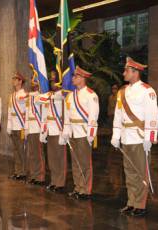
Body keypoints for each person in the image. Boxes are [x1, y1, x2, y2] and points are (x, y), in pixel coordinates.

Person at [111, 57, 158, 217]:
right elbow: (118, 115)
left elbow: (153, 115)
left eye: (126, 70)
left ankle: (140, 204)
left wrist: (149, 137)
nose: (124, 73)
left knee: (140, 172)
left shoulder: (147, 91)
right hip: (126, 137)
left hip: (139, 137)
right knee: (129, 172)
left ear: (135, 72)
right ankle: (131, 202)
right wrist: (116, 135)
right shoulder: (122, 92)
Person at [62, 66, 99, 200]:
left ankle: (86, 189)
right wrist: (65, 131)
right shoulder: (70, 96)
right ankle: (78, 187)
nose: (72, 79)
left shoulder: (91, 95)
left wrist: (91, 133)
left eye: (75, 77)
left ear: (82, 78)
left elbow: (93, 116)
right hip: (73, 132)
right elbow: (67, 115)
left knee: (84, 162)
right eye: (73, 76)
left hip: (84, 132)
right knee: (75, 162)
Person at [36, 74, 66, 193]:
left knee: (60, 158)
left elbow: (57, 97)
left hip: (59, 129)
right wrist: (43, 131)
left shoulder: (63, 95)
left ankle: (60, 182)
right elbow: (38, 100)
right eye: (51, 82)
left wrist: (48, 96)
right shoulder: (50, 95)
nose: (52, 84)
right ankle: (54, 181)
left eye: (55, 82)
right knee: (52, 158)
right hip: (50, 129)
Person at [7, 72, 28, 181]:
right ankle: (17, 171)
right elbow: (10, 111)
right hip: (14, 125)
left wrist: (26, 126)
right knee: (15, 149)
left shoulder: (24, 94)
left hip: (21, 126)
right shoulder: (11, 96)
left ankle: (23, 172)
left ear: (20, 81)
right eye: (13, 79)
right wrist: (9, 125)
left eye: (16, 79)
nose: (13, 81)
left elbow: (27, 111)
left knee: (21, 150)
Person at [24, 81, 45, 185]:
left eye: (36, 83)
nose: (33, 85)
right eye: (32, 83)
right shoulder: (29, 97)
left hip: (37, 127)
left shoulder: (41, 96)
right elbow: (27, 113)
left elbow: (43, 111)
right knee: (32, 153)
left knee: (38, 154)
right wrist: (26, 127)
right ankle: (33, 175)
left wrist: (43, 128)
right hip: (31, 127)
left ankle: (40, 176)